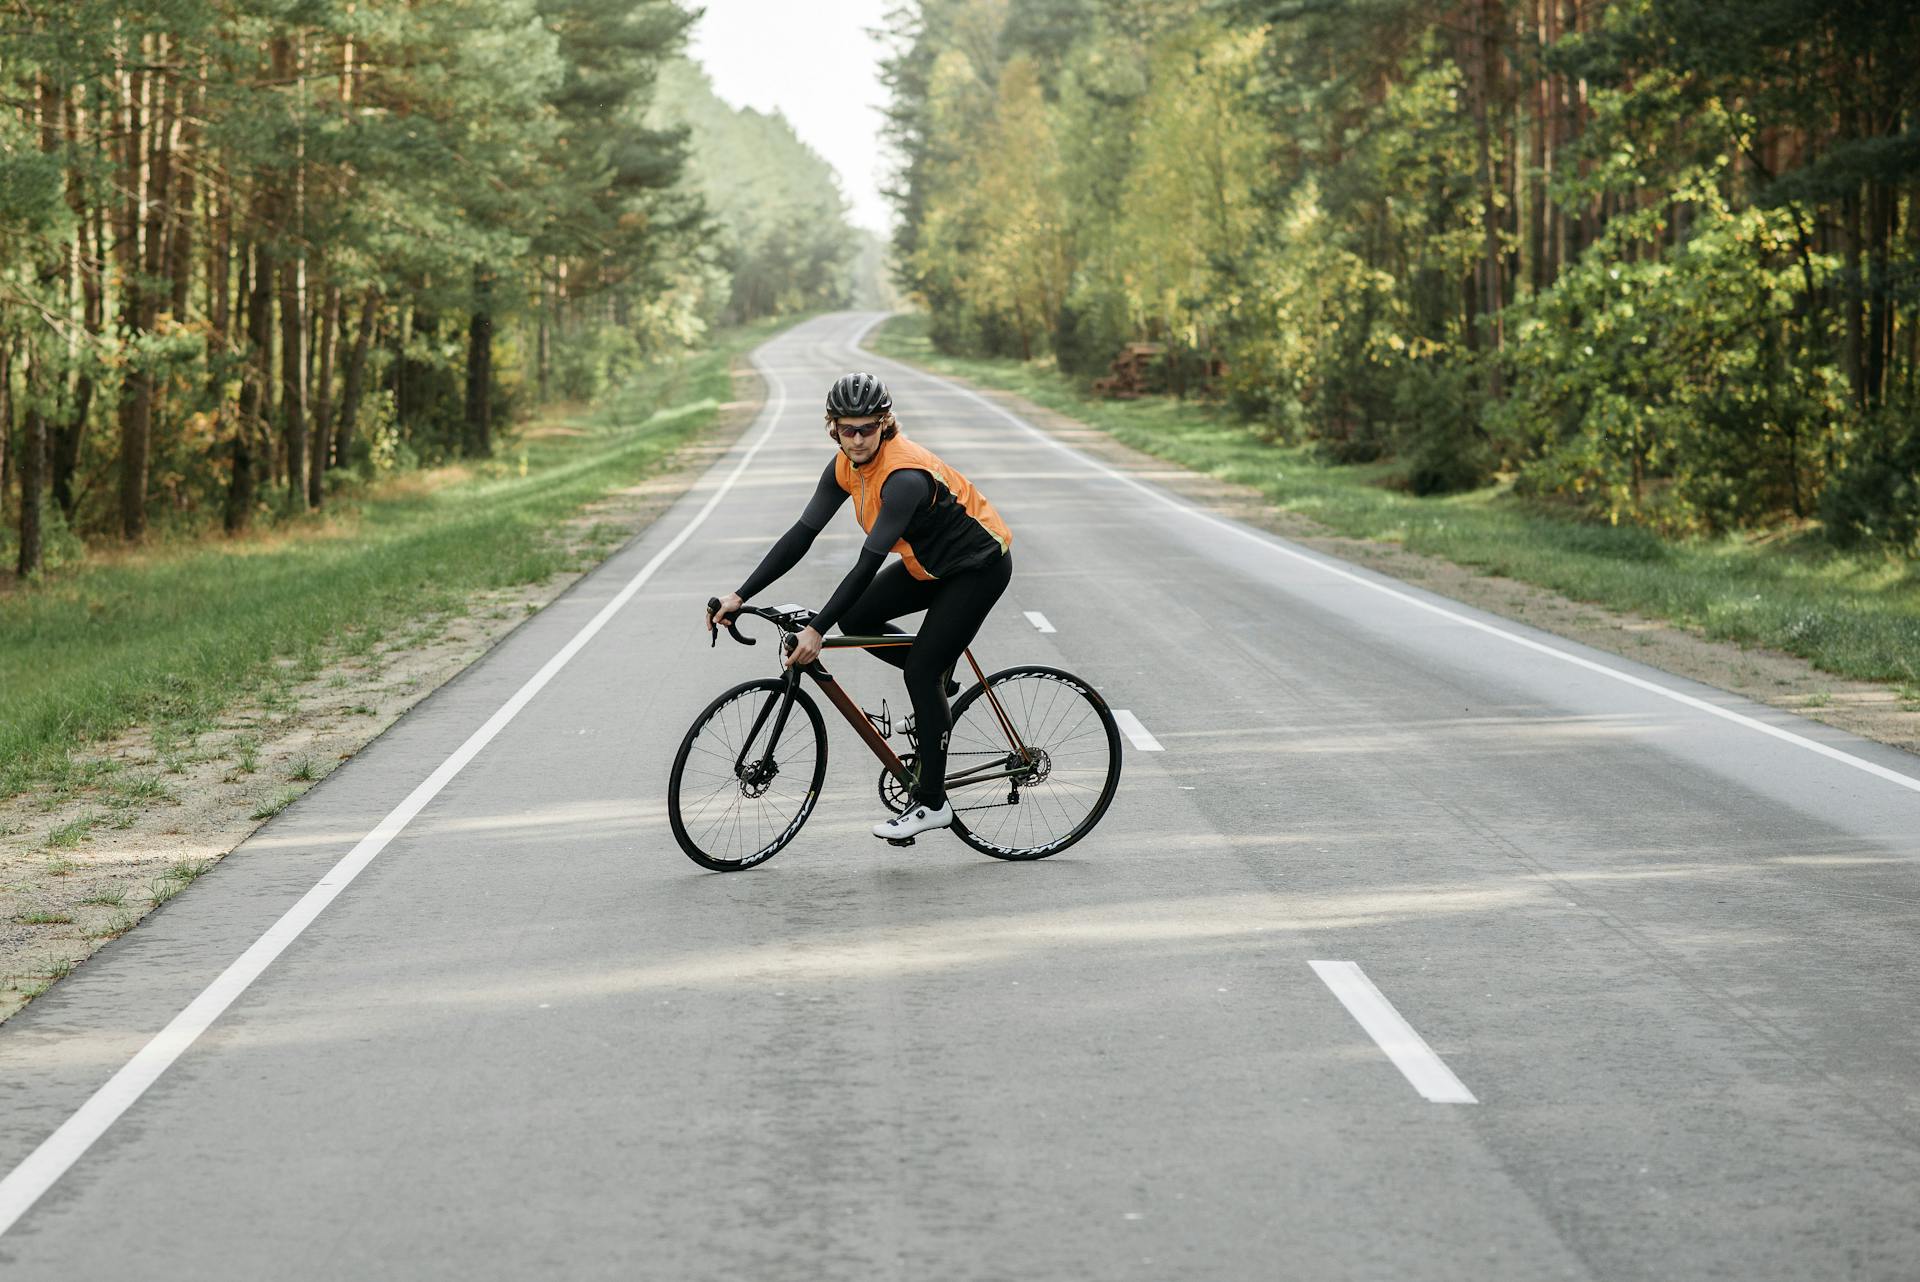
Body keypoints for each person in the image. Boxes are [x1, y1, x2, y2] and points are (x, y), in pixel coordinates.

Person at [708, 372, 1013, 840]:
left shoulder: (904, 478)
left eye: (867, 428)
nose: (857, 439)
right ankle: (939, 679)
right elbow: (802, 534)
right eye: (847, 429)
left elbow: (867, 564)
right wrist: (740, 595)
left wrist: (816, 630)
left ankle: (933, 803)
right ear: (833, 427)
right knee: (857, 619)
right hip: (928, 564)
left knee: (919, 672)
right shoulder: (844, 466)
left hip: (977, 566)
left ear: (884, 424)